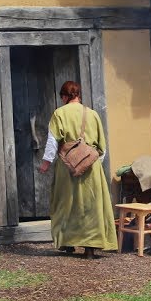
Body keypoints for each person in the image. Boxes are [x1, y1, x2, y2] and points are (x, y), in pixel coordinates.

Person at [36, 80, 118, 259]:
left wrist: (46, 163)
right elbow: (101, 148)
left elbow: (52, 142)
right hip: (91, 168)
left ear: (65, 96)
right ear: (78, 95)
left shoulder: (59, 113)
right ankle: (90, 248)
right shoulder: (93, 114)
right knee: (91, 207)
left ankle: (68, 242)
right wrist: (90, 163)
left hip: (67, 168)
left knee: (65, 204)